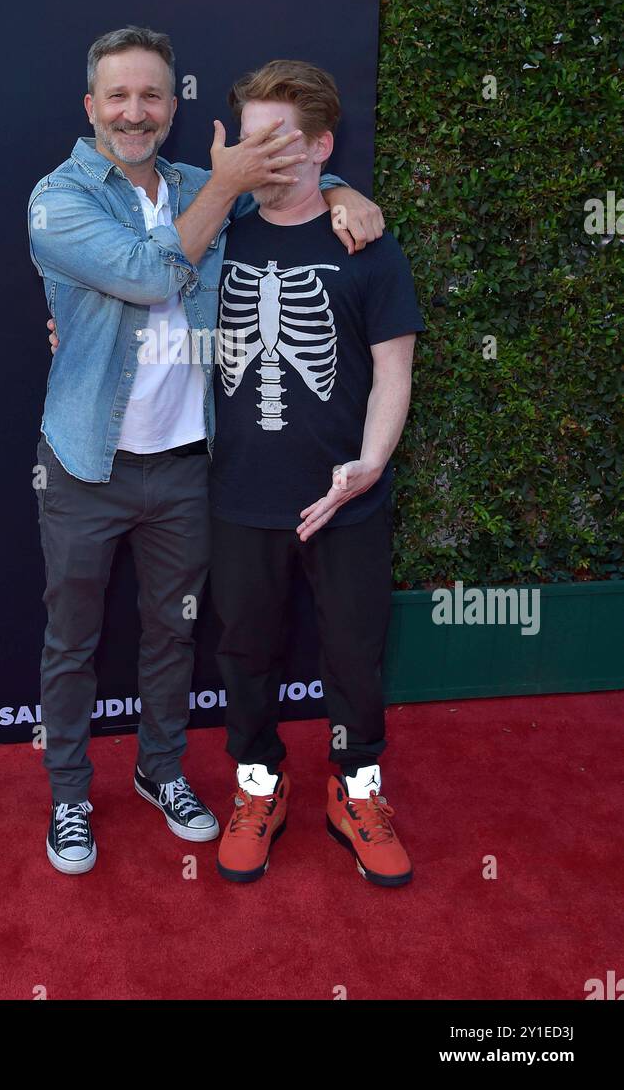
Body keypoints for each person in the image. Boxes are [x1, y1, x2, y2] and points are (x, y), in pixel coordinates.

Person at [28, 26, 385, 875]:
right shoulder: (59, 199)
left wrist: (339, 191)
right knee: (71, 641)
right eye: (117, 95)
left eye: (151, 94)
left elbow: (290, 181)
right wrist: (225, 191)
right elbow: (152, 277)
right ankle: (70, 798)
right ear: (91, 107)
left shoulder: (200, 183)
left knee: (172, 637)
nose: (134, 111)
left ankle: (161, 773)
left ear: (174, 106)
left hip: (192, 464)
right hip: (87, 463)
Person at [209, 60, 425, 887]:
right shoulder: (214, 230)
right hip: (239, 496)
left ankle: (356, 788)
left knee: (354, 651)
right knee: (244, 649)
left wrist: (368, 466)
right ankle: (259, 784)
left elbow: (393, 371)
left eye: (282, 142)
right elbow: (137, 281)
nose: (263, 158)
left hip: (347, 501)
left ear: (322, 146)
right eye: (251, 140)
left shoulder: (367, 245)